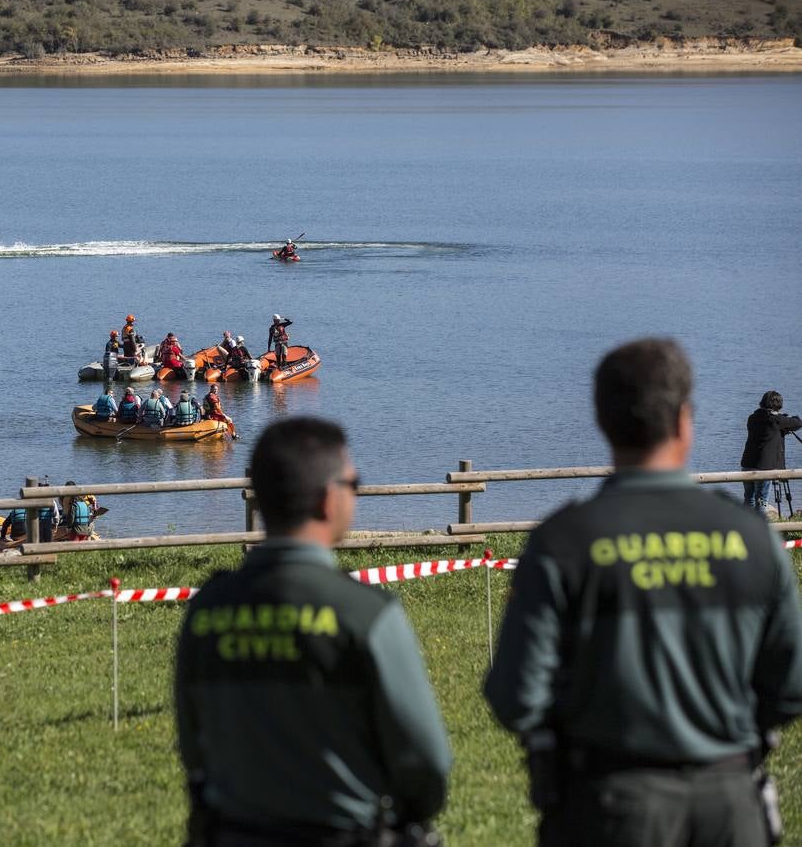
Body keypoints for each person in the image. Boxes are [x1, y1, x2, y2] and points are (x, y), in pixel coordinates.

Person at [483, 338, 802, 847]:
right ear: (684, 421)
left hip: (607, 804)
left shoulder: (563, 541)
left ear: (602, 422)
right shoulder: (751, 538)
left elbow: (514, 695)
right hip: (729, 802)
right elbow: (789, 685)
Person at [175, 417, 452, 845]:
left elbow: (195, 750)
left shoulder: (206, 610)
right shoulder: (366, 613)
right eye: (353, 484)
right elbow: (426, 762)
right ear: (328, 500)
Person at [741, 390, 802, 514]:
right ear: (777, 405)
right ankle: (760, 529)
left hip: (747, 465)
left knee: (749, 499)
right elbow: (797, 423)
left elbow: (767, 432)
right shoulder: (776, 420)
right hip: (764, 469)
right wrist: (789, 418)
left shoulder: (752, 418)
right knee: (762, 501)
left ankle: (746, 528)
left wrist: (781, 423)